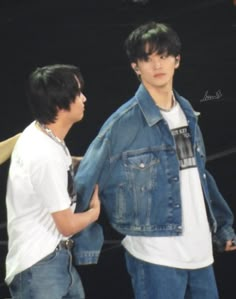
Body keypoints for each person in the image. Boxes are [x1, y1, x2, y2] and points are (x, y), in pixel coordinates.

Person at [73, 22, 236, 299]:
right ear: (135, 67)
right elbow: (86, 179)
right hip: (154, 255)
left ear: (177, 60)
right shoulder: (122, 124)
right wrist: (85, 242)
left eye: (163, 56)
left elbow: (197, 174)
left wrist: (222, 226)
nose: (156, 65)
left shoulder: (186, 113)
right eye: (147, 59)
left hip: (200, 253)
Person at [5, 64, 100, 299]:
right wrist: (95, 213)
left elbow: (62, 163)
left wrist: (92, 162)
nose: (84, 99)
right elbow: (66, 225)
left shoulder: (41, 133)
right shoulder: (43, 154)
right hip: (40, 268)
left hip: (55, 262)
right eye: (78, 93)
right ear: (60, 104)